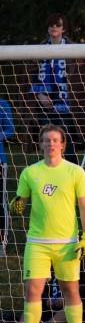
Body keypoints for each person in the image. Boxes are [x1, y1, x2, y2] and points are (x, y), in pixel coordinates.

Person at [11, 125, 85, 323]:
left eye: (55, 140)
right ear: (41, 144)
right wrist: (15, 205)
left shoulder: (75, 171)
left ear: (62, 144)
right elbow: (20, 201)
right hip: (37, 242)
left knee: (70, 289)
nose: (51, 144)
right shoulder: (30, 172)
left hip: (67, 242)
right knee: (32, 289)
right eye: (47, 140)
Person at [30, 13, 80, 164]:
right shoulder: (39, 50)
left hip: (66, 105)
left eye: (58, 25)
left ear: (63, 28)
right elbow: (31, 76)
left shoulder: (73, 49)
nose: (54, 27)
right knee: (47, 143)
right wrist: (39, 94)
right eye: (51, 25)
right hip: (45, 105)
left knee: (67, 144)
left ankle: (73, 178)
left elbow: (79, 79)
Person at [0, 97, 14, 257]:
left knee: (0, 202)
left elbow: (10, 130)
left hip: (0, 161)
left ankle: (2, 242)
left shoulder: (2, 104)